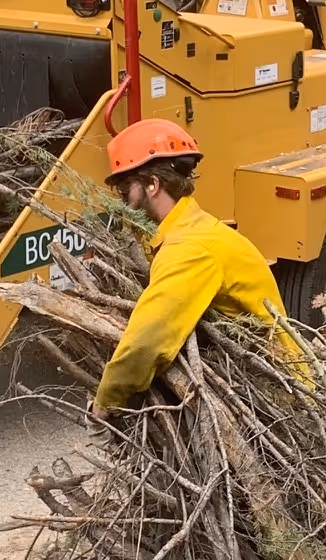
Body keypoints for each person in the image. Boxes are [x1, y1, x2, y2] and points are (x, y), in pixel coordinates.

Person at [94, 120, 302, 411]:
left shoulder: (190, 248)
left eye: (125, 190)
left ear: (152, 185)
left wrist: (107, 402)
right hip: (260, 385)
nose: (122, 202)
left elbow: (147, 341)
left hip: (279, 399)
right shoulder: (195, 228)